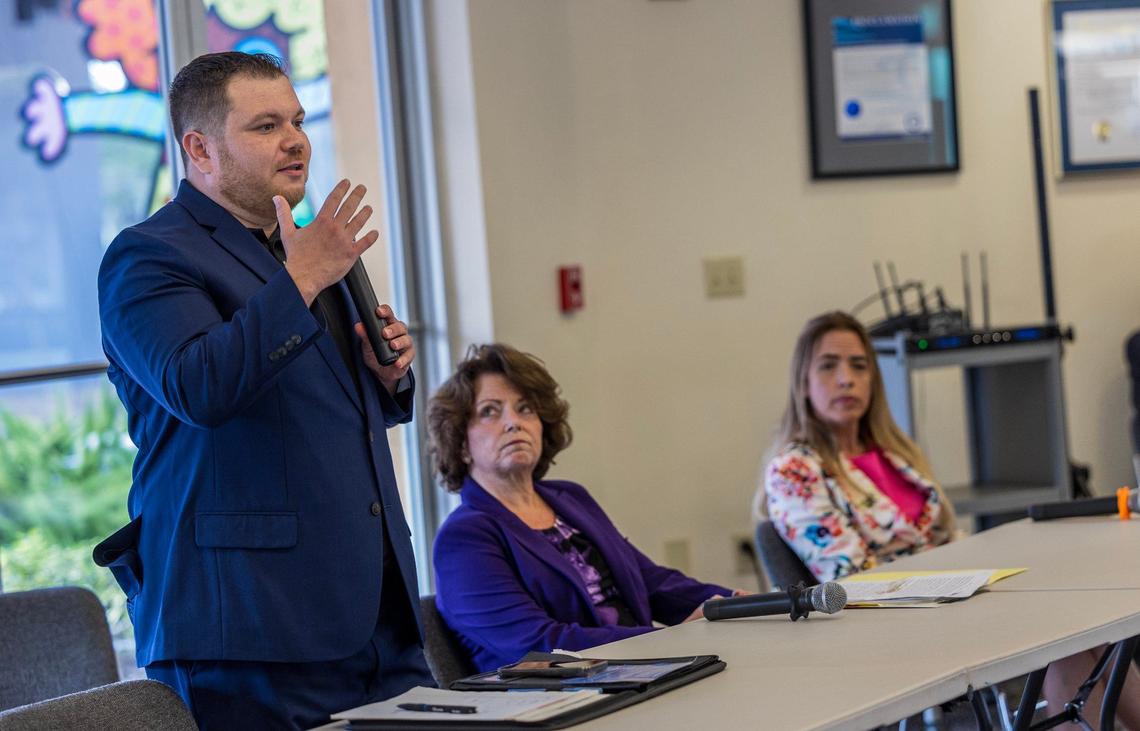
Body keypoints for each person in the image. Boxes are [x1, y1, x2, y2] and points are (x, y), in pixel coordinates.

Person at [94, 52, 432, 729]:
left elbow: (329, 404)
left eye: (299, 120)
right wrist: (302, 280)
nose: (295, 140)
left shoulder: (299, 247)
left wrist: (388, 376)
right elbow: (199, 387)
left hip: (375, 612)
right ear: (200, 148)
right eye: (266, 125)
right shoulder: (148, 256)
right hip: (250, 626)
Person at [757, 310, 1140, 726]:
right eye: (828, 366)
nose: (846, 379)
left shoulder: (895, 453)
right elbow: (851, 578)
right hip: (894, 623)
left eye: (859, 365)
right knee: (1063, 635)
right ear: (803, 382)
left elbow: (950, 538)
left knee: (1087, 624)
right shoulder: (793, 470)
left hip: (953, 597)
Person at [429, 344, 737, 672]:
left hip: (643, 673)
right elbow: (540, 645)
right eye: (490, 411)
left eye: (525, 408)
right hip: (554, 701)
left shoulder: (569, 498)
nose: (513, 423)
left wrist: (737, 604)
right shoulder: (464, 538)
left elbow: (652, 582)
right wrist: (671, 642)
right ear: (461, 442)